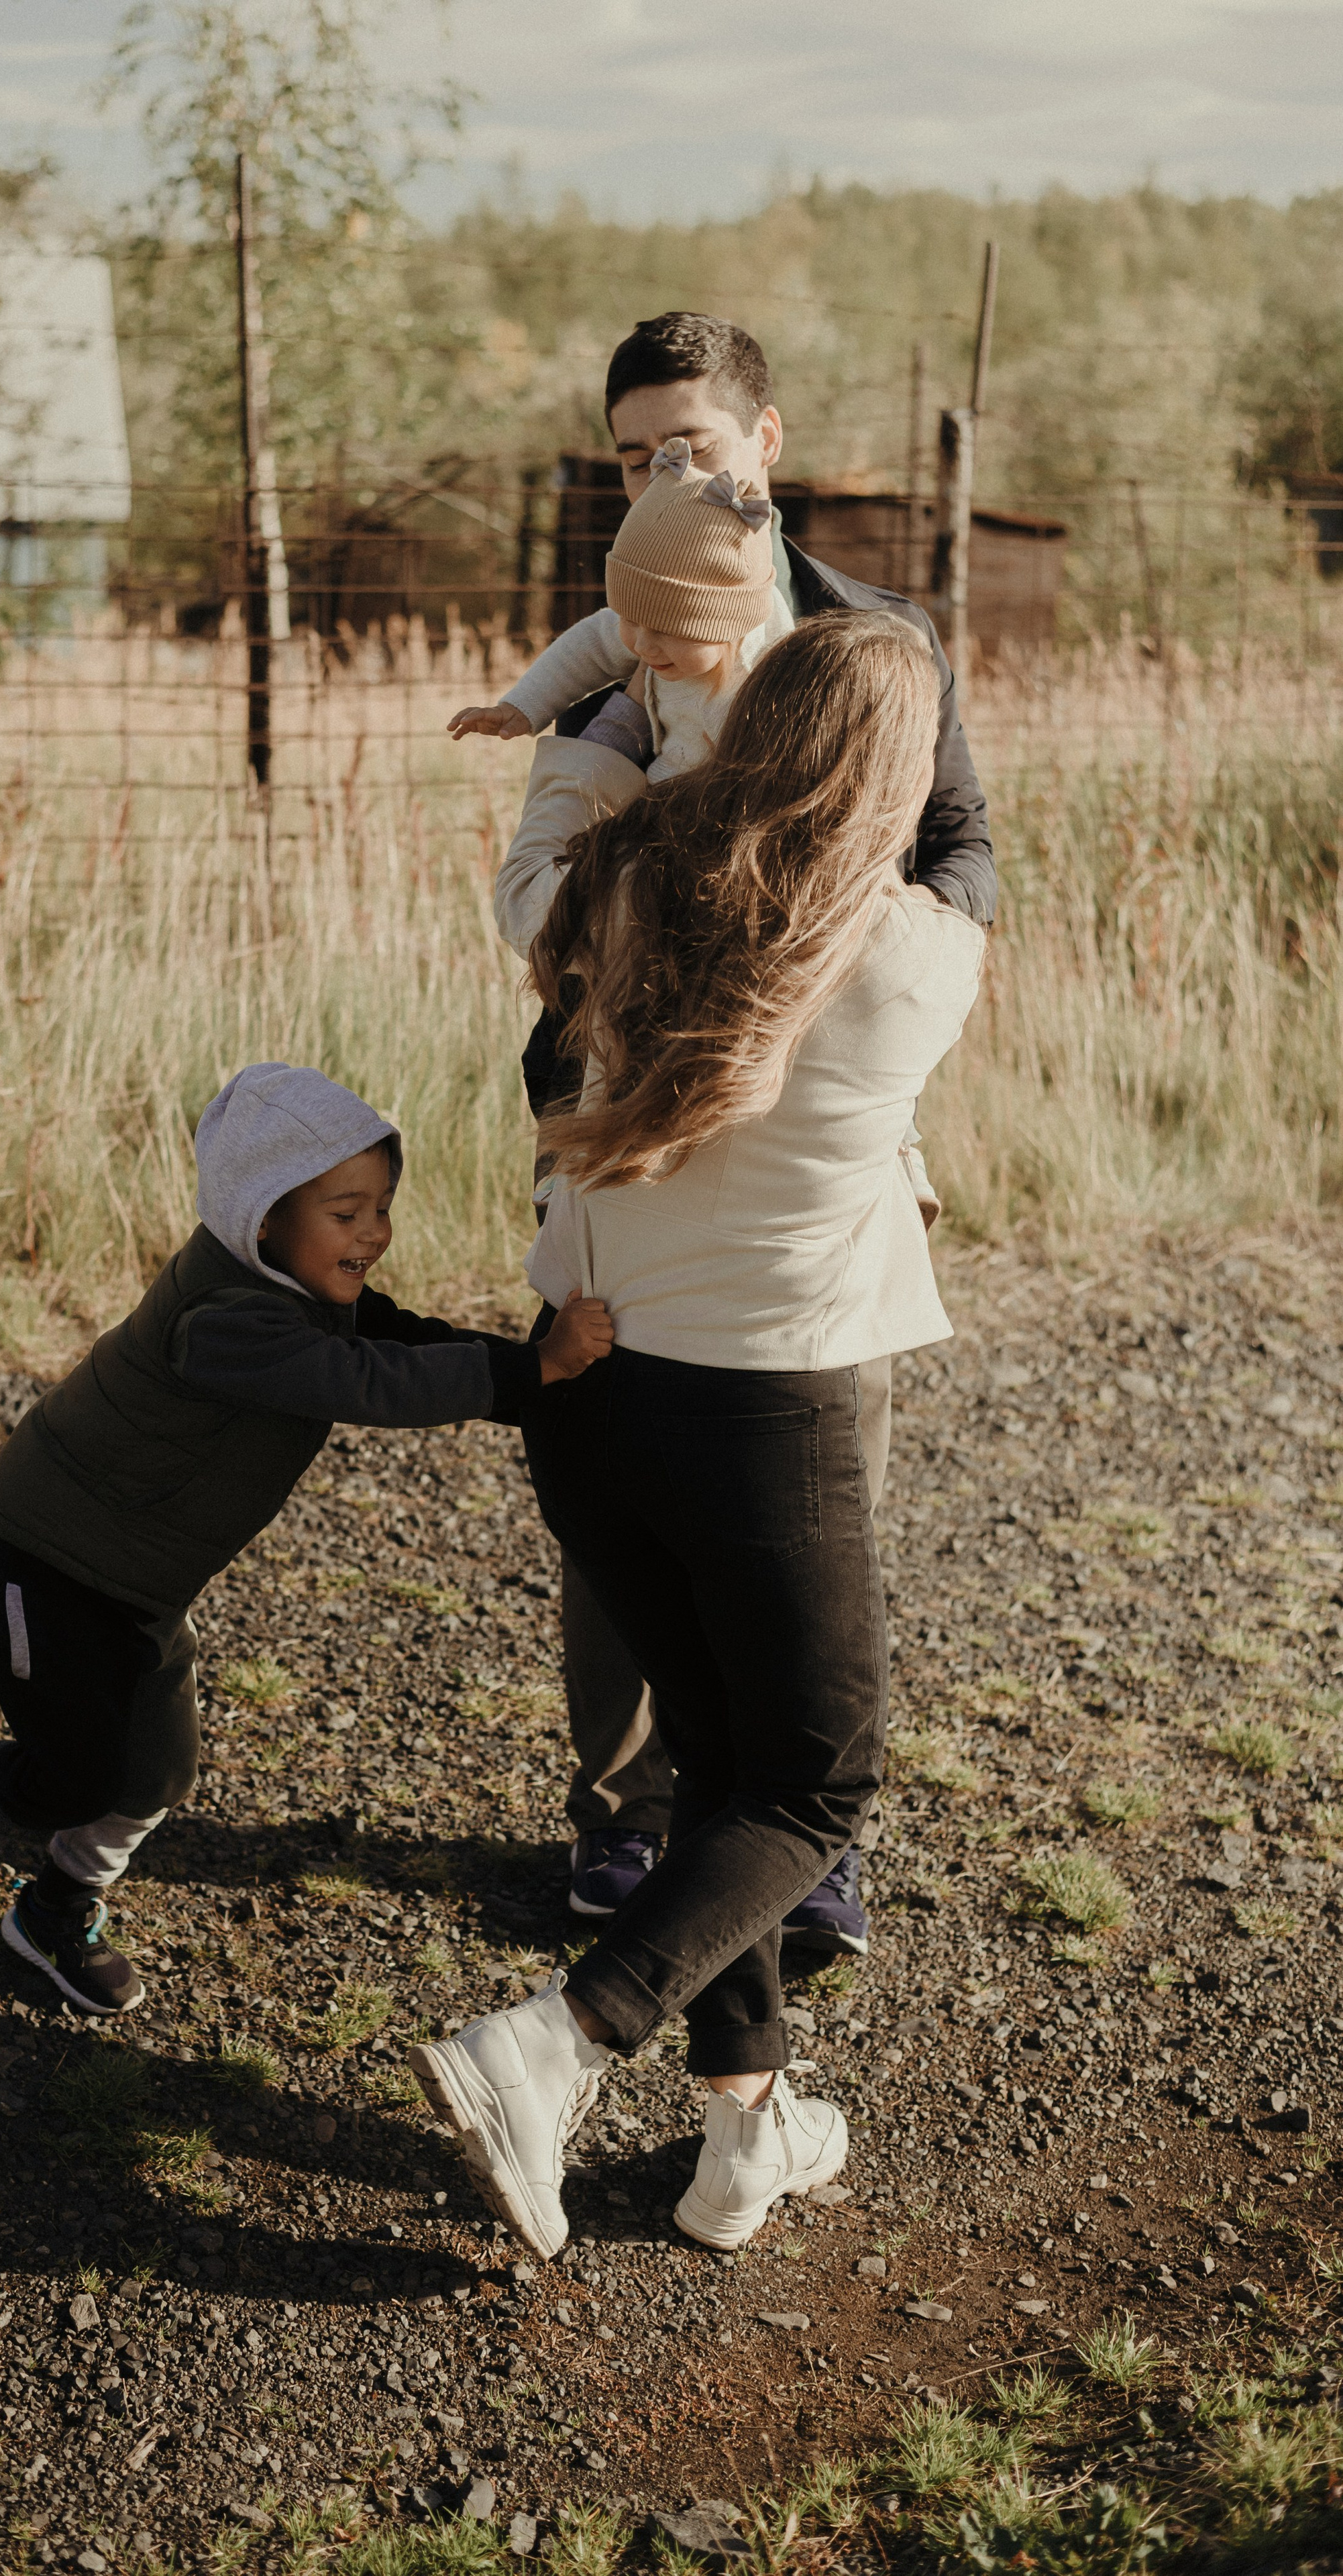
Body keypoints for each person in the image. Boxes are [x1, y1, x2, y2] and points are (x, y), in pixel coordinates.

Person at [411, 610, 984, 2260]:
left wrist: (602, 700)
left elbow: (552, 863)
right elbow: (958, 854)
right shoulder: (917, 961)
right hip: (759, 1418)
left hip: (586, 1395)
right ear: (896, 774)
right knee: (813, 1781)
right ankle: (555, 2044)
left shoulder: (617, 882)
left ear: (748, 725)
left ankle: (743, 2136)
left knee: (721, 1768)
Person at [449, 308, 996, 1947]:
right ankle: (628, 1819)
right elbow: (557, 891)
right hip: (633, 1099)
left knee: (810, 1473)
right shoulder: (625, 639)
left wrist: (851, 957)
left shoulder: (880, 640)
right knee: (618, 1442)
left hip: (818, 1115)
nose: (653, 477)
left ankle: (786, 1830)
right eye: (628, 457)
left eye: (680, 446)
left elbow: (961, 841)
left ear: (763, 440)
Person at [0, 1063, 612, 2015]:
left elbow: (402, 1342)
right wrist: (536, 1371)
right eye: (346, 1213)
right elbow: (369, 1383)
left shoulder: (302, 1288)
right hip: (44, 1560)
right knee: (72, 1778)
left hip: (139, 1584)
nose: (374, 1233)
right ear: (264, 1217)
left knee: (157, 1770)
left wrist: (537, 1379)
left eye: (382, 1207)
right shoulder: (227, 1320)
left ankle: (54, 1909)